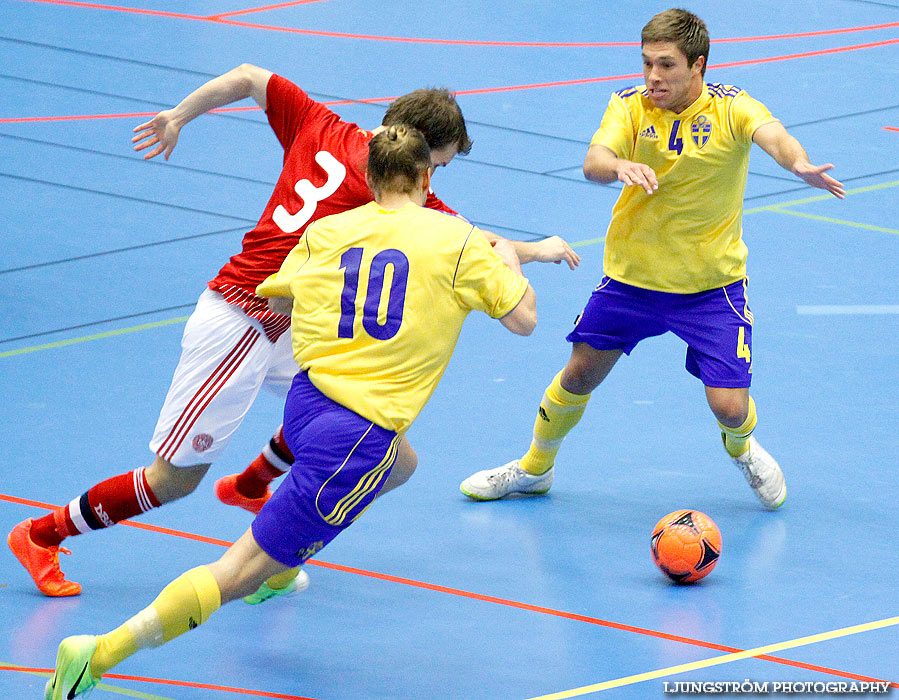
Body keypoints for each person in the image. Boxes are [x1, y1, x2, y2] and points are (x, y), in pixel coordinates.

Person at [7, 63, 578, 598]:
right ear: (420, 162)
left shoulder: (321, 124)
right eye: (441, 166)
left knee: (394, 461)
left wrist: (180, 115)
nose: (436, 180)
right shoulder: (405, 206)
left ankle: (254, 486)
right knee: (174, 480)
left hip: (295, 323)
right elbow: (473, 249)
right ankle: (42, 534)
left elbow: (251, 77)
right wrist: (536, 251)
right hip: (244, 320)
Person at [45, 124, 537, 700]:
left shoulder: (328, 229)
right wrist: (511, 264)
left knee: (402, 464)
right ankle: (101, 652)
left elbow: (278, 297)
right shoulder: (458, 241)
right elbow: (522, 319)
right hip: (356, 437)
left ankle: (280, 559)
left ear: (370, 177)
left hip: (308, 406)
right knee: (235, 571)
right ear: (428, 177)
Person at [460, 8, 844, 506]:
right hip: (632, 281)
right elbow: (593, 161)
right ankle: (535, 468)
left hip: (711, 287)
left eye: (666, 65)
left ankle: (744, 449)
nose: (653, 77)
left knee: (730, 409)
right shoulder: (630, 106)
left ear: (698, 65)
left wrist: (798, 163)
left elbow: (773, 135)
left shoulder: (733, 108)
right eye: (646, 64)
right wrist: (618, 163)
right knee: (577, 375)